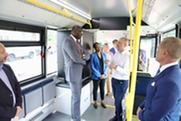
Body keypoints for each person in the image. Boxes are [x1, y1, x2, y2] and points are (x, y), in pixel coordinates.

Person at [137, 37, 181, 121]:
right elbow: (154, 95)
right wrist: (142, 106)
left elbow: (153, 116)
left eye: (158, 49)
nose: (156, 51)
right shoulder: (167, 71)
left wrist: (140, 114)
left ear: (164, 53)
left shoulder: (169, 83)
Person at [62, 25, 86, 121]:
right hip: (73, 74)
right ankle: (76, 119)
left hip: (78, 74)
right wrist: (83, 60)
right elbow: (75, 58)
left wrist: (81, 56)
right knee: (76, 99)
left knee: (75, 98)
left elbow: (85, 53)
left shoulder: (76, 43)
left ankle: (74, 118)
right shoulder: (68, 41)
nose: (81, 34)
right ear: (75, 31)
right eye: (80, 32)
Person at [108, 37, 129, 121]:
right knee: (116, 100)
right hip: (114, 80)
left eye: (119, 43)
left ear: (125, 45)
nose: (117, 44)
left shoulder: (128, 56)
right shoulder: (116, 54)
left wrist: (116, 67)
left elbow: (126, 72)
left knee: (118, 101)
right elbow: (111, 63)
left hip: (122, 81)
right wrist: (108, 63)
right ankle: (117, 116)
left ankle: (119, 119)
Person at [0, 43, 22, 121]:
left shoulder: (7, 67)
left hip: (16, 112)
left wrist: (19, 105)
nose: (7, 54)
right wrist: (12, 112)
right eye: (3, 52)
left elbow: (17, 86)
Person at [90, 42, 108, 109]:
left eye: (99, 46)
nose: (98, 48)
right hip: (96, 76)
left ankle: (102, 101)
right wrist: (99, 75)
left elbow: (106, 65)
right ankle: (95, 102)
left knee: (102, 89)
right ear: (94, 48)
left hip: (103, 75)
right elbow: (92, 66)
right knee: (95, 89)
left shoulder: (104, 54)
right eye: (97, 47)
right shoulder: (92, 56)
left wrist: (104, 74)